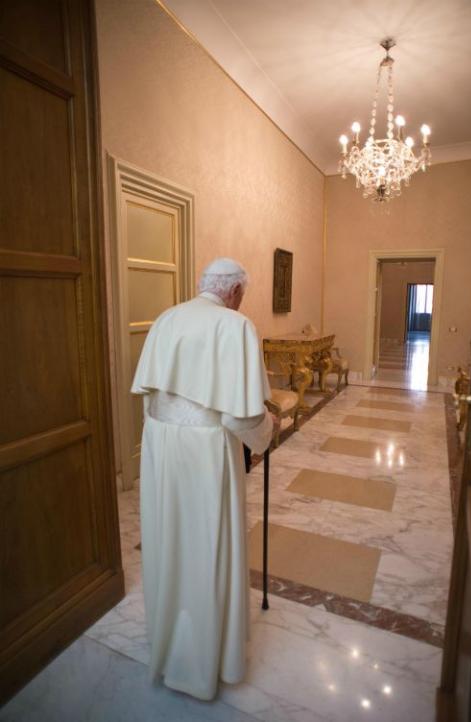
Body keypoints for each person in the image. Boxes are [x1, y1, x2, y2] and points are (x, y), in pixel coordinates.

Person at [131, 257, 274, 700]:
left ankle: (170, 643)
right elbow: (241, 413)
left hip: (161, 445)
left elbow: (149, 396)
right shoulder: (236, 327)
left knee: (170, 539)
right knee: (208, 544)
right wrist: (269, 432)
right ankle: (207, 659)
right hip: (206, 452)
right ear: (234, 292)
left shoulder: (166, 319)